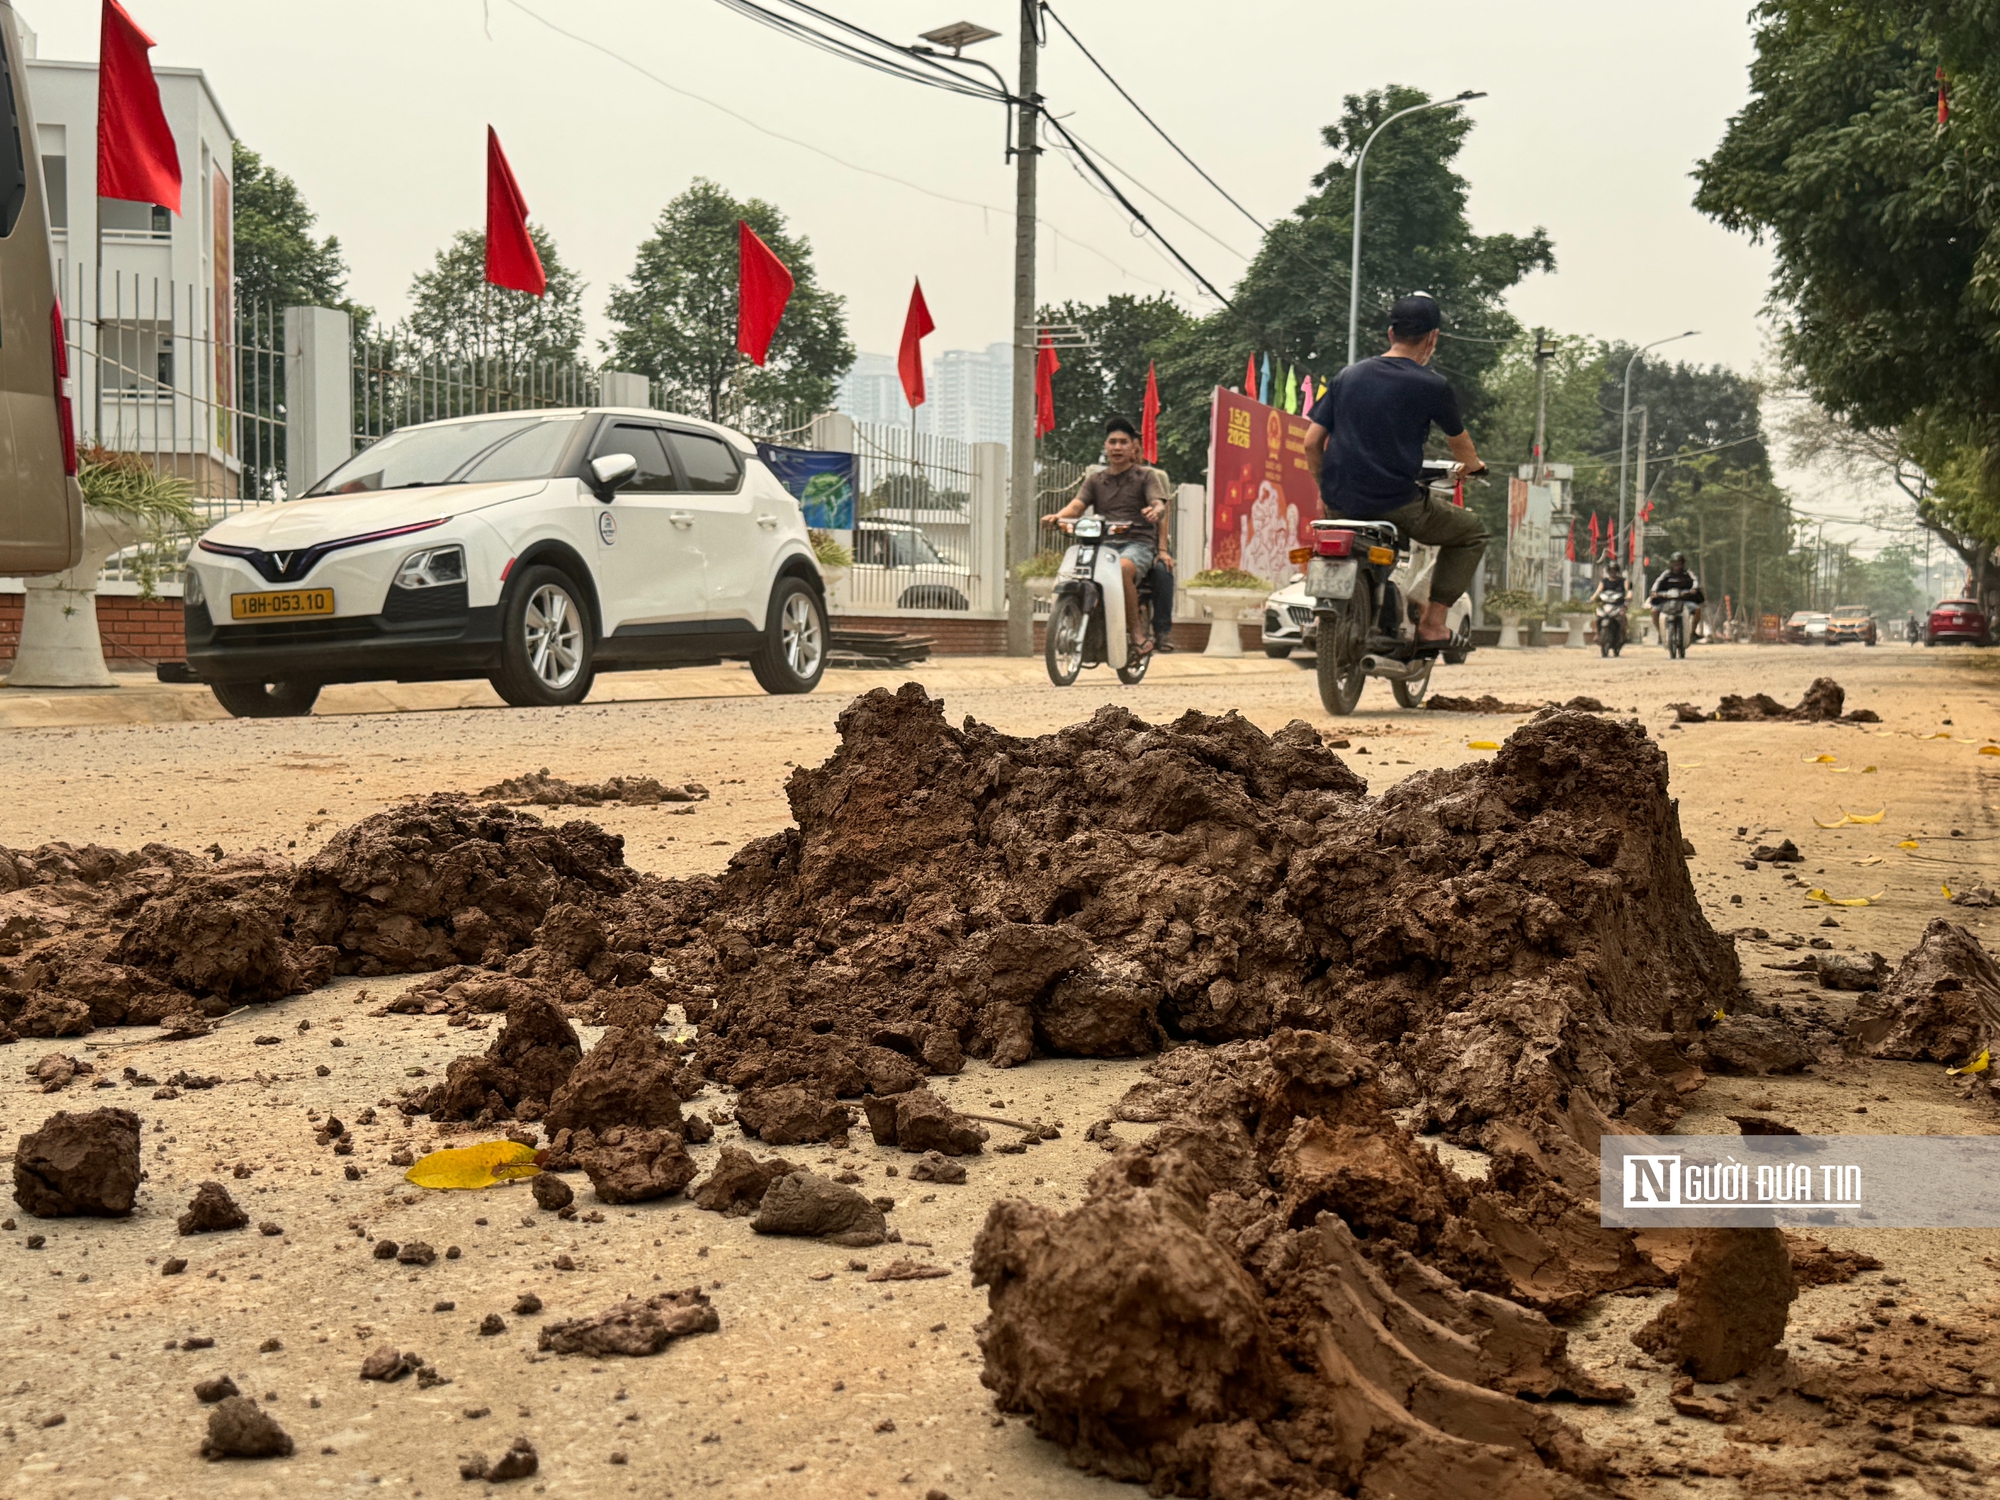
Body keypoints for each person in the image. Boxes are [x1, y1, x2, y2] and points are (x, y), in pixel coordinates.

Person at [1302, 292, 1489, 655]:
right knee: (1472, 532)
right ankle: (1433, 625)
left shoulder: (1348, 376)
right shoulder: (1433, 385)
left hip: (1341, 503)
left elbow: (1312, 442)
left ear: (1391, 333)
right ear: (1433, 338)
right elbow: (1461, 445)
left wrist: (1325, 490)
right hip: (1398, 504)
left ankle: (1325, 613)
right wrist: (1474, 467)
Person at [1042, 417, 1170, 657]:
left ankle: (1137, 635)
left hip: (1137, 544)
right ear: (1106, 447)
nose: (1117, 447)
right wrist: (1058, 517)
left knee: (1121, 570)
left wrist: (1156, 510)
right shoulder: (1095, 480)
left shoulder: (1146, 476)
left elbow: (1159, 503)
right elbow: (1077, 506)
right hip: (1102, 544)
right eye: (1112, 442)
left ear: (1134, 448)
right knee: (1072, 572)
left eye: (1123, 442)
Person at [1649, 553, 1704, 639]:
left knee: (1697, 610)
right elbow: (1657, 582)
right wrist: (1654, 591)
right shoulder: (1666, 574)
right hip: (1667, 600)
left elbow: (1695, 581)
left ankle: (1692, 632)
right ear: (1671, 564)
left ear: (1682, 564)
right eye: (1674, 563)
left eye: (1678, 563)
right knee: (1654, 611)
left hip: (1684, 600)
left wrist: (1694, 589)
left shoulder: (1688, 573)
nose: (1676, 566)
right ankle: (1661, 633)